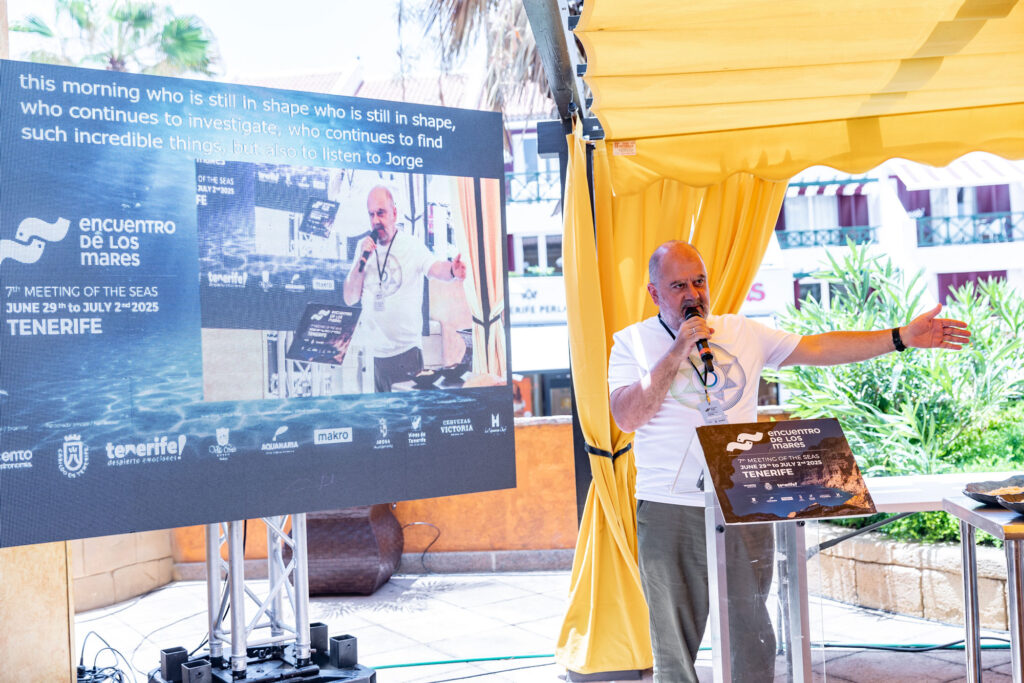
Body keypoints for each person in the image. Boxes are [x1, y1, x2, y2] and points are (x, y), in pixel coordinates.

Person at [607, 241, 971, 683]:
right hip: (669, 506)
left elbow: (819, 349)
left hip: (740, 504)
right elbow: (627, 416)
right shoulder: (630, 344)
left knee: (752, 630)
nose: (693, 293)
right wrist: (678, 349)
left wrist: (900, 338)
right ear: (654, 292)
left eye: (699, 281)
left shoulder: (741, 332)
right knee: (672, 640)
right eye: (678, 285)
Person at [343, 185, 467, 391]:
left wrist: (452, 271)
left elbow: (436, 269)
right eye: (371, 215)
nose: (375, 221)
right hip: (372, 355)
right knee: (377, 419)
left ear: (394, 213)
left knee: (406, 420)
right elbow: (349, 297)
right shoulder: (363, 248)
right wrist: (360, 262)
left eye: (381, 213)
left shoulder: (412, 245)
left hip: (406, 353)